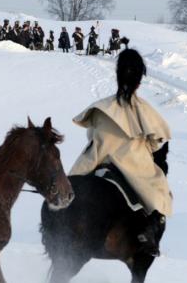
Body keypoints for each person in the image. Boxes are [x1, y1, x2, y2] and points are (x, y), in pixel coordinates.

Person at [69, 49, 172, 256]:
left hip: (97, 159)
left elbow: (91, 136)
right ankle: (148, 232)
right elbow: (155, 143)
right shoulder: (145, 111)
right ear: (138, 81)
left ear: (117, 75)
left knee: (69, 187)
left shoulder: (101, 108)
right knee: (158, 192)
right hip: (133, 165)